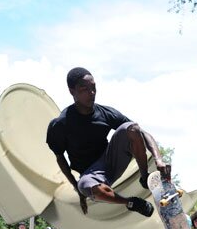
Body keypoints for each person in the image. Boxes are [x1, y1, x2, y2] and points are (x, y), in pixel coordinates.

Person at [46, 67, 170, 218]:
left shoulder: (105, 113)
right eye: (84, 89)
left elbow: (142, 133)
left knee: (132, 128)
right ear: (72, 91)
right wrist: (76, 189)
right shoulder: (61, 124)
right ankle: (131, 203)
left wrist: (158, 159)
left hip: (111, 160)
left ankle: (144, 178)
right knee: (84, 185)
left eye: (93, 88)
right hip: (91, 175)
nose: (91, 93)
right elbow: (60, 158)